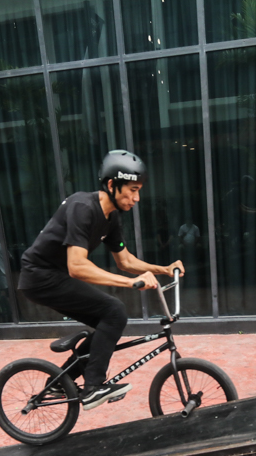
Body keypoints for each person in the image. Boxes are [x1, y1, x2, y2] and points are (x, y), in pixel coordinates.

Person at [17, 150, 184, 409]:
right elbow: (76, 266)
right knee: (114, 311)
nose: (137, 198)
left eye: (139, 191)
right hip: (39, 276)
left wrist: (163, 269)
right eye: (133, 190)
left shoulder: (111, 216)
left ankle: (60, 383)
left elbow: (125, 260)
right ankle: (93, 389)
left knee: (109, 322)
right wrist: (130, 283)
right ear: (112, 185)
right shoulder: (82, 207)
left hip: (55, 276)